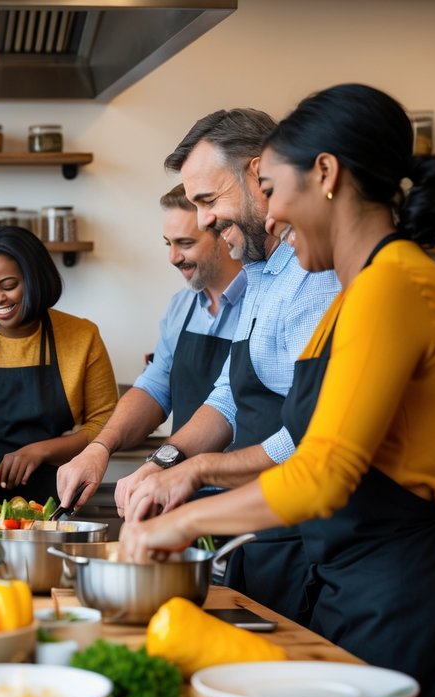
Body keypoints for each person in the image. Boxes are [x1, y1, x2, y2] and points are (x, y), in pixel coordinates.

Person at [119, 83, 435, 697]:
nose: (272, 213)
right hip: (350, 577)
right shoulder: (355, 293)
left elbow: (320, 471)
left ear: (325, 175)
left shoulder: (393, 284)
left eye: (274, 189)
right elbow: (299, 439)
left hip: (398, 585)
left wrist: (179, 519)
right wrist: (188, 476)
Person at [115, 108, 341, 621]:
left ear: (259, 177)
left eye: (207, 201)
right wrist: (165, 462)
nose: (204, 221)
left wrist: (197, 474)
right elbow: (228, 398)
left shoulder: (317, 281)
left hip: (308, 543)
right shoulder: (261, 276)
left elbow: (308, 438)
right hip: (259, 538)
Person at [56, 185, 246, 509]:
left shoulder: (263, 302)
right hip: (177, 497)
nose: (173, 258)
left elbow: (229, 403)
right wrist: (99, 447)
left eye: (185, 243)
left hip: (245, 502)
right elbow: (155, 386)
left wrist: (158, 463)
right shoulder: (182, 306)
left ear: (225, 236)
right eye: (168, 244)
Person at [0, 225, 117, 505]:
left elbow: (105, 424)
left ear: (35, 278)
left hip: (55, 499)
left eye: (9, 286)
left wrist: (40, 451)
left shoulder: (82, 336)